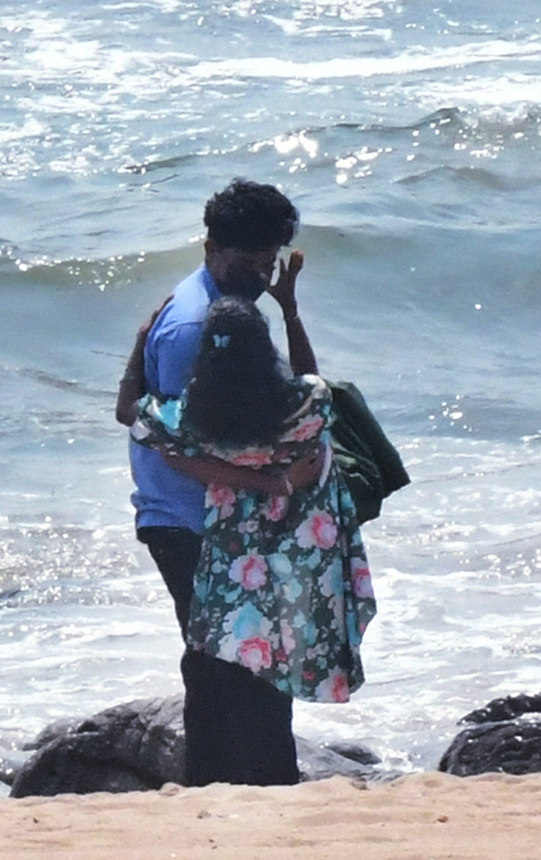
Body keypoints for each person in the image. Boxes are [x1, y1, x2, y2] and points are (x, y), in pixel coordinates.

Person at [117, 179, 321, 785]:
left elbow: (299, 400)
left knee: (217, 663)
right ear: (211, 248)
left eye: (267, 265)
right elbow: (178, 448)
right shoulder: (191, 329)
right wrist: (278, 486)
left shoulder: (227, 306)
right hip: (189, 519)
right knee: (248, 664)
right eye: (247, 263)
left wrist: (285, 305)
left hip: (214, 517)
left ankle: (212, 786)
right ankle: (266, 789)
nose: (258, 276)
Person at [127, 296, 375, 785]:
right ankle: (273, 777)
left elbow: (133, 417)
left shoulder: (195, 421)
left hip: (233, 560)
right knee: (274, 675)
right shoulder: (305, 406)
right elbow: (314, 380)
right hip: (300, 557)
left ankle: (220, 778)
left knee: (230, 666)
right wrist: (291, 311)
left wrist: (141, 341)